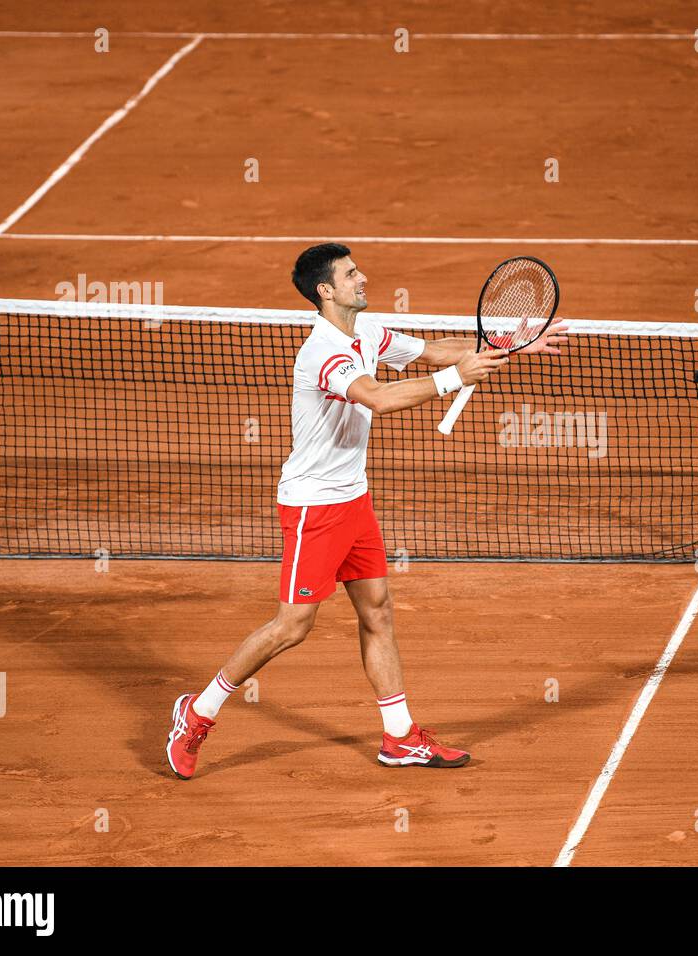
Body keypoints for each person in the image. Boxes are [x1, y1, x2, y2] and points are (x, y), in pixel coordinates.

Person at [166, 242, 567, 777]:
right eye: (351, 274)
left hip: (353, 498)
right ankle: (198, 712)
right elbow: (376, 397)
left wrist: (513, 342)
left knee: (376, 609)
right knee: (293, 626)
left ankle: (400, 737)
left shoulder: (368, 332)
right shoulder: (323, 353)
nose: (363, 278)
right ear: (325, 291)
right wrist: (456, 380)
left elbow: (435, 350)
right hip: (314, 507)